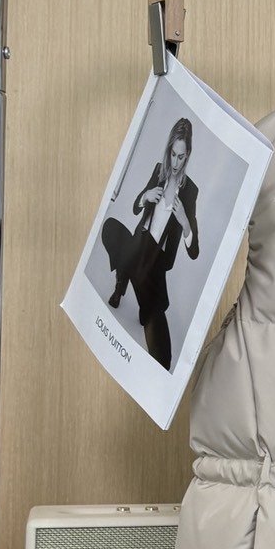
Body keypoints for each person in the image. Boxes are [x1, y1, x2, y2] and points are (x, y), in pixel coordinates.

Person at [101, 116, 200, 369]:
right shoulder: (159, 171)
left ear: (187, 156)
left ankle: (126, 278)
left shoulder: (190, 191)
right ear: (168, 151)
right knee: (110, 227)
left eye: (181, 157)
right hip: (138, 244)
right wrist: (145, 196)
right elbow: (136, 207)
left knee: (161, 355)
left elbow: (194, 251)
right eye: (173, 155)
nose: (175, 163)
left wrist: (185, 222)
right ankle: (124, 277)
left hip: (156, 262)